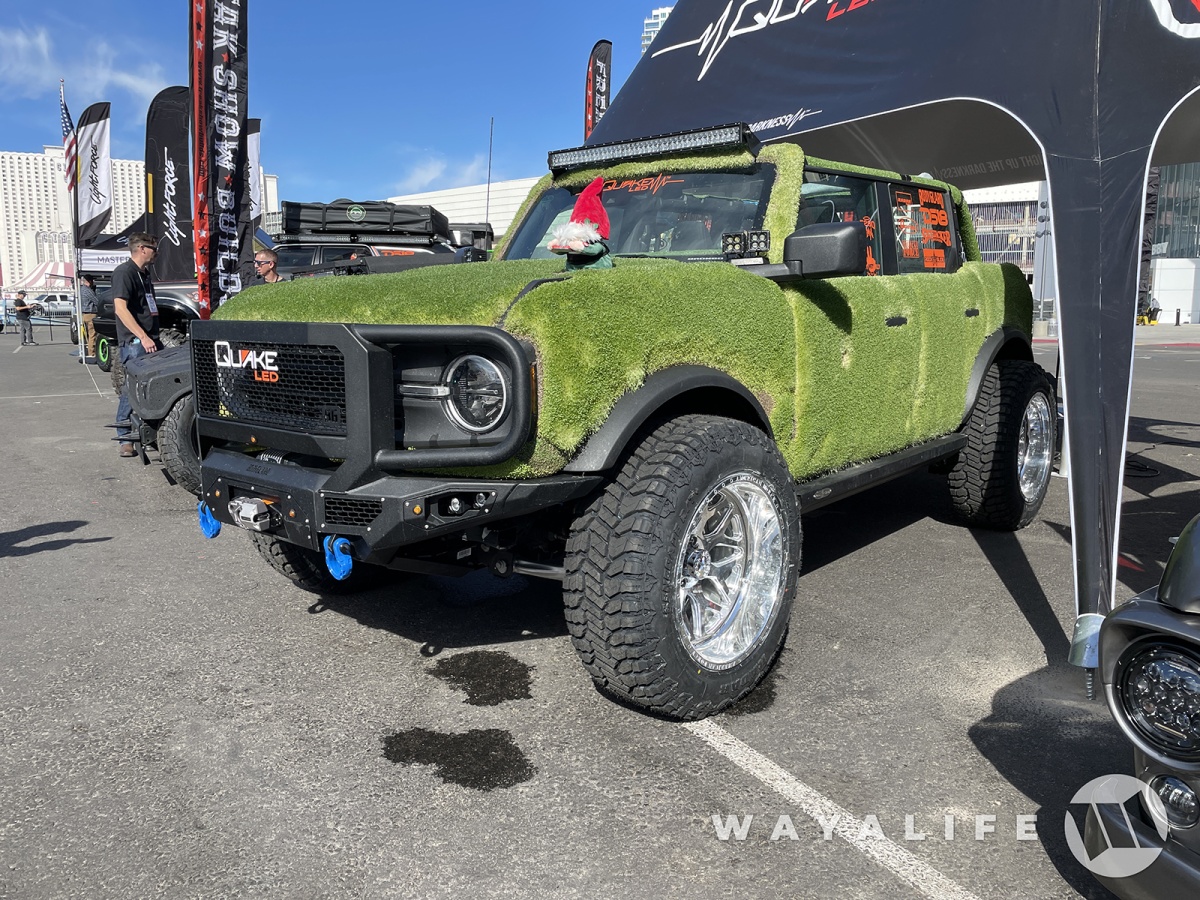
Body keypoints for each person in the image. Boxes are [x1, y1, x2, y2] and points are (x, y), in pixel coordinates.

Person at [111, 233, 161, 458]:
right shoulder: (124, 272)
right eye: (154, 249)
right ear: (142, 248)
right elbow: (120, 309)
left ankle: (146, 433)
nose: (156, 253)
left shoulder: (144, 273)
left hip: (150, 337)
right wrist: (143, 336)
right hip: (136, 341)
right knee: (132, 388)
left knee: (149, 387)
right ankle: (125, 436)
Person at [79, 273, 100, 359]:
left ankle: (89, 351)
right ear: (89, 281)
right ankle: (92, 353)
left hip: (84, 314)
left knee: (88, 335)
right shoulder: (88, 290)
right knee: (92, 335)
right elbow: (96, 301)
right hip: (91, 313)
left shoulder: (80, 290)